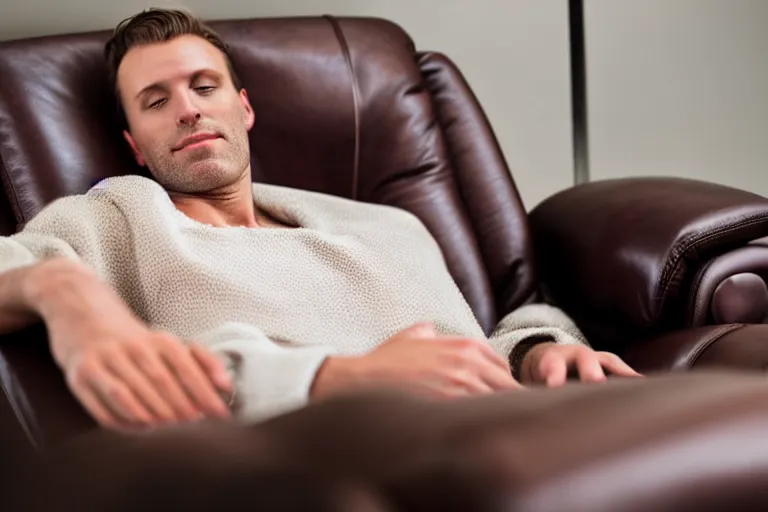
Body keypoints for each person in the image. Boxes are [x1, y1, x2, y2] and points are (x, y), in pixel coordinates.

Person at [0, 8, 640, 431]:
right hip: (334, 456)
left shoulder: (384, 227)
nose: (188, 111)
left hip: (507, 427)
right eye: (156, 101)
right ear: (135, 145)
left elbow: (469, 347)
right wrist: (62, 289)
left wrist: (537, 353)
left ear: (243, 107)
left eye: (204, 86)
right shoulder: (120, 217)